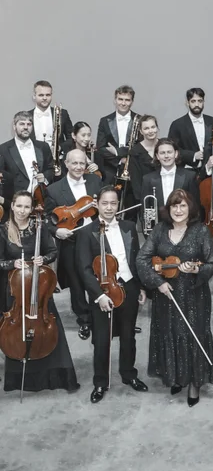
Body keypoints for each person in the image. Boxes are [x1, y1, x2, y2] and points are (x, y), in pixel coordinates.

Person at [137, 189, 213, 406]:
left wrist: (194, 271)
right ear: (169, 208)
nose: (179, 210)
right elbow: (142, 259)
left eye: (183, 206)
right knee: (170, 333)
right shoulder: (160, 230)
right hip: (166, 295)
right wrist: (157, 283)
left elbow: (212, 263)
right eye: (174, 206)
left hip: (194, 295)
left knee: (193, 335)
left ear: (190, 208)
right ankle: (175, 376)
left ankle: (194, 383)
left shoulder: (201, 231)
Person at [0, 191, 79, 393]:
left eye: (27, 207)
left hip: (39, 289)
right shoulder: (3, 230)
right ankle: (19, 380)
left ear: (31, 209)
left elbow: (52, 252)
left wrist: (42, 260)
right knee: (15, 333)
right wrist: (12, 263)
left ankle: (54, 378)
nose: (22, 211)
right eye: (19, 206)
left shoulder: (39, 228)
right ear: (12, 206)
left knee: (50, 330)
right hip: (15, 290)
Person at [77, 186, 149, 403]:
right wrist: (99, 295)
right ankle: (100, 382)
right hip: (103, 292)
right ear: (97, 204)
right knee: (102, 339)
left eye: (113, 203)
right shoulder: (86, 232)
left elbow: (134, 260)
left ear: (118, 204)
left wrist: (141, 287)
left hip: (129, 287)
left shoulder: (128, 226)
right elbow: (84, 269)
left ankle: (129, 375)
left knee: (128, 336)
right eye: (105, 203)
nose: (109, 208)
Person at [44, 148, 103, 340]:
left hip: (95, 238)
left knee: (98, 276)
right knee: (77, 283)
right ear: (66, 164)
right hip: (70, 240)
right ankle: (84, 319)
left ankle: (101, 315)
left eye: (82, 163)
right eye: (74, 163)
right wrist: (56, 231)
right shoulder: (53, 189)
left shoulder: (95, 181)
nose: (78, 167)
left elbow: (107, 205)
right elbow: (47, 218)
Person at [139, 138, 200, 235]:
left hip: (185, 231)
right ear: (157, 156)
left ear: (176, 154)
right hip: (158, 233)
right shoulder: (148, 179)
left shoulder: (189, 176)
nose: (166, 156)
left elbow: (195, 208)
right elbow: (144, 213)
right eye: (162, 153)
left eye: (169, 152)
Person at [0, 111, 55, 202]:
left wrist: (45, 177)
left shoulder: (43, 146)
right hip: (15, 201)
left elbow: (51, 168)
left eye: (29, 124)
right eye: (22, 124)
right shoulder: (3, 149)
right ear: (14, 126)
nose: (26, 127)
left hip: (40, 199)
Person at [26, 79, 73, 177]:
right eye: (41, 95)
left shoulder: (62, 113)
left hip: (58, 162)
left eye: (48, 95)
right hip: (34, 161)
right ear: (34, 96)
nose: (44, 98)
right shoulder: (27, 116)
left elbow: (71, 138)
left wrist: (59, 148)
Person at [95, 85, 141, 184]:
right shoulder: (104, 121)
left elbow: (141, 146)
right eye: (120, 99)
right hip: (110, 170)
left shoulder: (139, 120)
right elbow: (101, 148)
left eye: (127, 100)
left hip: (134, 169)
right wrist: (120, 161)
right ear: (115, 100)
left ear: (132, 102)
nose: (123, 103)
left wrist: (117, 151)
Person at [168, 88, 213, 170]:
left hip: (209, 169)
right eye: (193, 101)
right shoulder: (177, 124)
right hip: (187, 170)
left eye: (200, 101)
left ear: (203, 102)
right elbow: (172, 148)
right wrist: (193, 155)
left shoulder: (212, 121)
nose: (197, 104)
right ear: (187, 103)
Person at [128, 115, 160, 204]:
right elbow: (136, 182)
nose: (150, 131)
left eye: (153, 127)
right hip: (146, 198)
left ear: (157, 128)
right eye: (146, 128)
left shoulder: (164, 146)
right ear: (141, 131)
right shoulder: (135, 152)